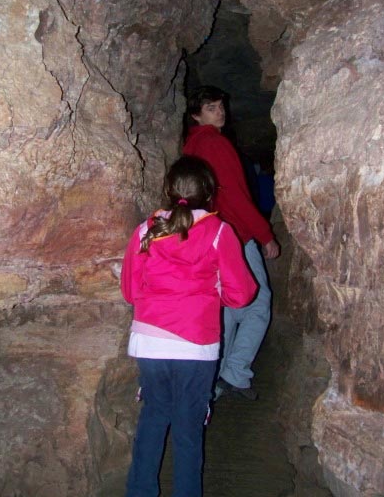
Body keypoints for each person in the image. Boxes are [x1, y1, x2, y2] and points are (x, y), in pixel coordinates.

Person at [121, 155, 257, 497]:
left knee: (153, 416)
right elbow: (242, 294)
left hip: (150, 341)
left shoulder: (145, 230)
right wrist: (215, 296)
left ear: (167, 190)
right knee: (188, 428)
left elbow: (131, 291)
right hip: (196, 343)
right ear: (210, 193)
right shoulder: (219, 232)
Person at [183, 86, 280, 401]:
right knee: (258, 301)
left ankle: (215, 379)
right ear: (197, 115)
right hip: (234, 233)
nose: (219, 111)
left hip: (205, 233)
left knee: (225, 306)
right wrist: (263, 234)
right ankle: (235, 372)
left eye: (220, 105)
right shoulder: (214, 142)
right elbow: (234, 194)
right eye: (211, 107)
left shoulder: (191, 147)